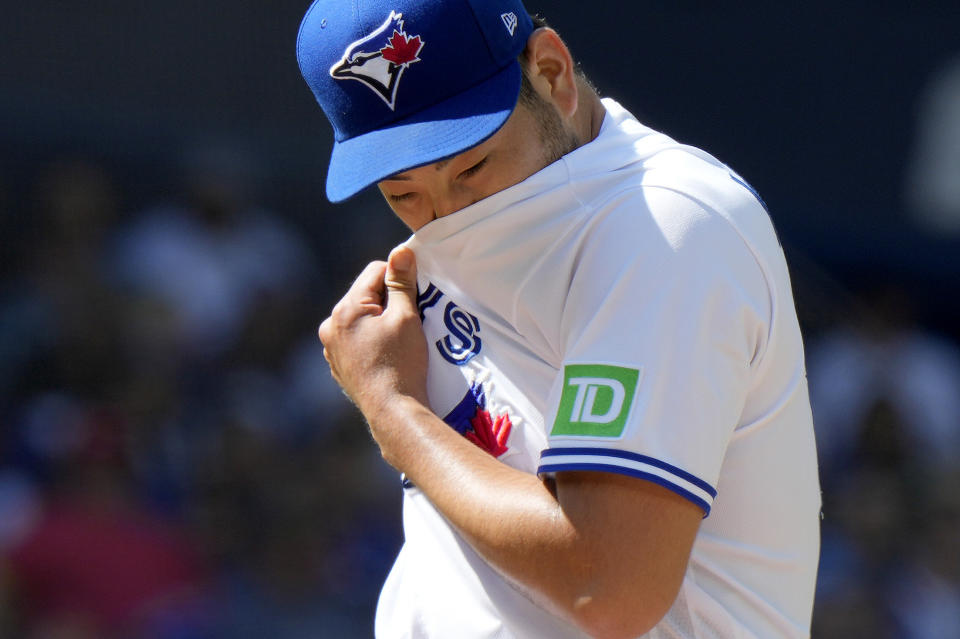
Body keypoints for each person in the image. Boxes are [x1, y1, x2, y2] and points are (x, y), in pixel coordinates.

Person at [296, 0, 821, 637]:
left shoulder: (664, 225)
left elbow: (606, 587)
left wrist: (391, 407)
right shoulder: (529, 216)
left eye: (470, 166)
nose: (445, 213)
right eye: (402, 193)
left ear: (552, 73)